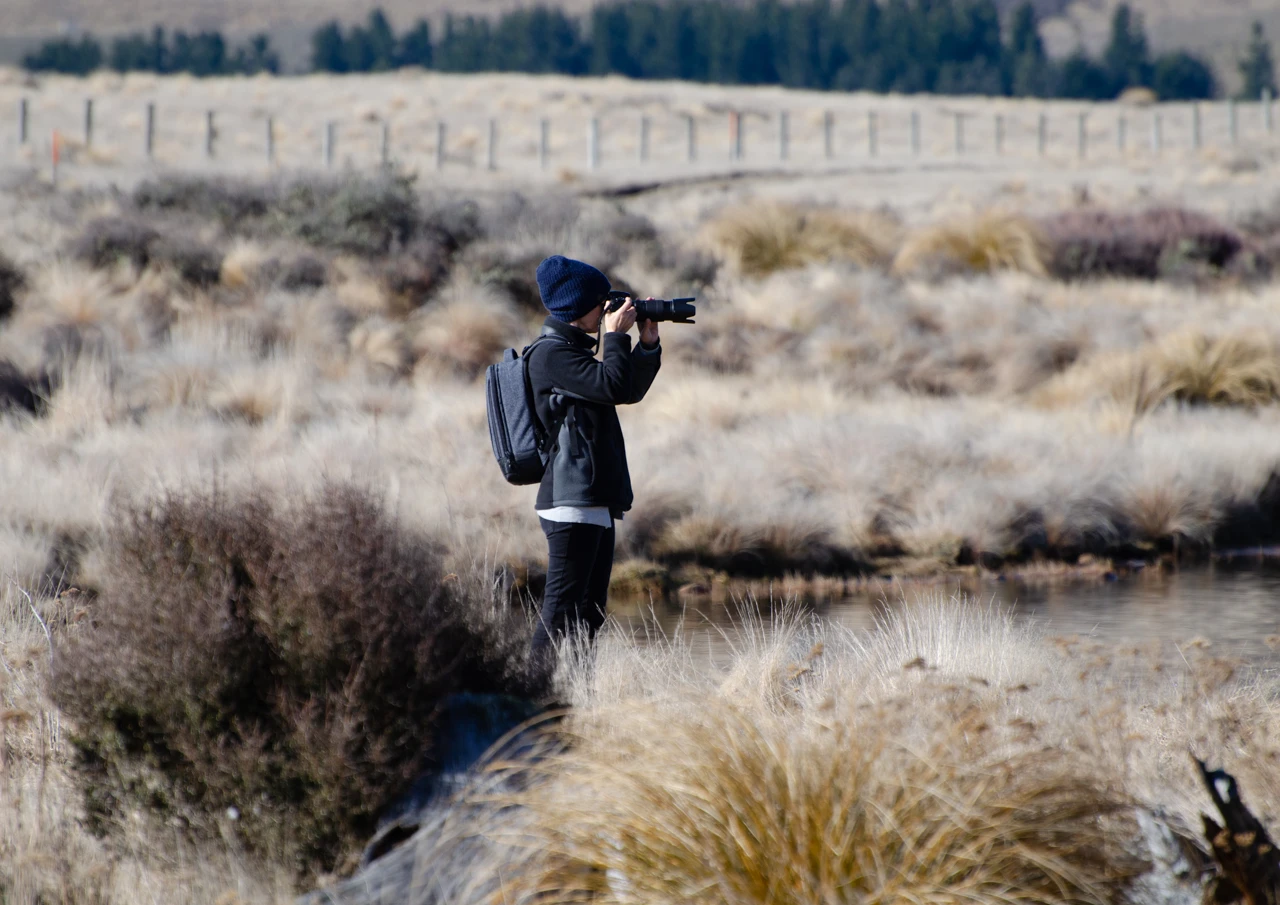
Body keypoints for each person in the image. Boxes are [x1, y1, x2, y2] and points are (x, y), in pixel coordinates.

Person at [524, 255, 661, 663]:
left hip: (592, 499)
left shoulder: (571, 353)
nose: (606, 309)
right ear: (575, 304)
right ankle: (527, 704)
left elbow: (624, 389)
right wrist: (617, 337)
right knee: (559, 614)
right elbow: (612, 383)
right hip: (571, 501)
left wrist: (647, 344)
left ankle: (575, 700)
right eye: (599, 302)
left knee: (590, 615)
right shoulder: (551, 355)